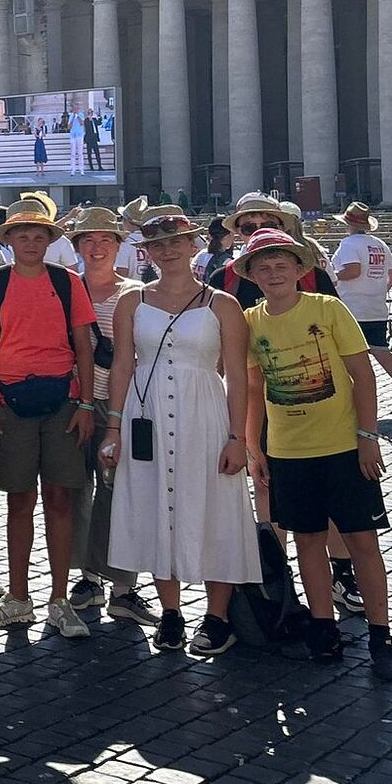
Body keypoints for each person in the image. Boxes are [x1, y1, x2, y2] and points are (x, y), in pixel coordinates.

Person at [238, 228, 392, 681]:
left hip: (343, 446)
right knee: (308, 542)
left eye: (281, 265)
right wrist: (254, 445)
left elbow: (362, 374)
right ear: (252, 276)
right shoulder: (251, 322)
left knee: (363, 542)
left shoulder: (328, 309)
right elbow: (255, 387)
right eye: (264, 267)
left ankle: (380, 633)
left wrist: (368, 435)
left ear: (299, 270)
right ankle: (323, 625)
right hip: (289, 451)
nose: (273, 273)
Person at [101, 208, 259, 657]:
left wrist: (238, 438)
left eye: (176, 242)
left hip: (204, 413)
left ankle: (217, 616)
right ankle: (171, 612)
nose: (168, 251)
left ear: (193, 246)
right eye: (158, 245)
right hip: (144, 413)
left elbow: (236, 375)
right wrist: (113, 425)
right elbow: (122, 366)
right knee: (155, 504)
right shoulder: (132, 301)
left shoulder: (223, 304)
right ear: (147, 253)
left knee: (216, 508)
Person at [0, 191, 98, 638]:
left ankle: (59, 599)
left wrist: (85, 404)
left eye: (36, 236)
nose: (29, 242)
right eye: (21, 235)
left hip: (63, 402)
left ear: (47, 241)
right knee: (19, 500)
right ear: (10, 241)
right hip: (10, 403)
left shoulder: (67, 282)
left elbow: (85, 346)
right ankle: (19, 596)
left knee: (60, 500)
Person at [64, 206, 154, 626]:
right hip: (74, 402)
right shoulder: (66, 288)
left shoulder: (136, 291)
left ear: (119, 245)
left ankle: (123, 584)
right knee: (77, 490)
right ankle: (87, 577)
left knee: (121, 490)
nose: (97, 248)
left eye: (105, 240)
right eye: (88, 240)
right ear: (78, 245)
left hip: (123, 403)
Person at [331, 203, 392, 414]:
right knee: (382, 352)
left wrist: (333, 279)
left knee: (348, 356)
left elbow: (353, 270)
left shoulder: (348, 244)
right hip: (376, 306)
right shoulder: (379, 244)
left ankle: (353, 404)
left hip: (353, 308)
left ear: (347, 224)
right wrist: (379, 289)